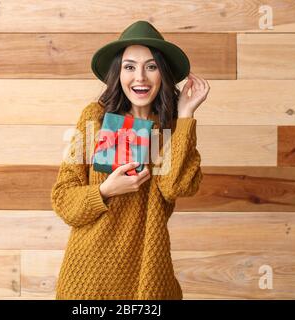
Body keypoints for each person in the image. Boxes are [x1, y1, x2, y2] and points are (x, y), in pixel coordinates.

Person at [51, 20, 210, 300]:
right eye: (129, 66)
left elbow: (176, 188)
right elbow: (64, 201)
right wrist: (104, 190)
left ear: (163, 73)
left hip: (148, 274)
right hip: (89, 279)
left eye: (151, 66)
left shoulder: (173, 129)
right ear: (118, 73)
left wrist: (185, 116)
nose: (140, 77)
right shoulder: (94, 120)